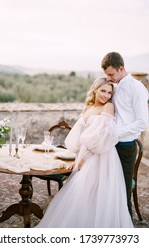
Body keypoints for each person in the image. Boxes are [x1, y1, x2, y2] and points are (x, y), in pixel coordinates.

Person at [36, 77, 133, 228]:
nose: (106, 95)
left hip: (102, 156)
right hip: (85, 154)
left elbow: (99, 137)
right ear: (94, 89)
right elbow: (81, 139)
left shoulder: (108, 107)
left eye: (109, 92)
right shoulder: (88, 109)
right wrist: (77, 159)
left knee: (95, 194)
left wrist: (82, 160)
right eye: (103, 91)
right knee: (81, 195)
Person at [101, 52, 149, 217]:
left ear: (121, 68)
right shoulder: (117, 85)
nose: (108, 78)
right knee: (110, 191)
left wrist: (115, 132)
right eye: (106, 75)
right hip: (111, 145)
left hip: (126, 148)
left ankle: (126, 230)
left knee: (123, 193)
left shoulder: (137, 88)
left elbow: (143, 122)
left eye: (111, 74)